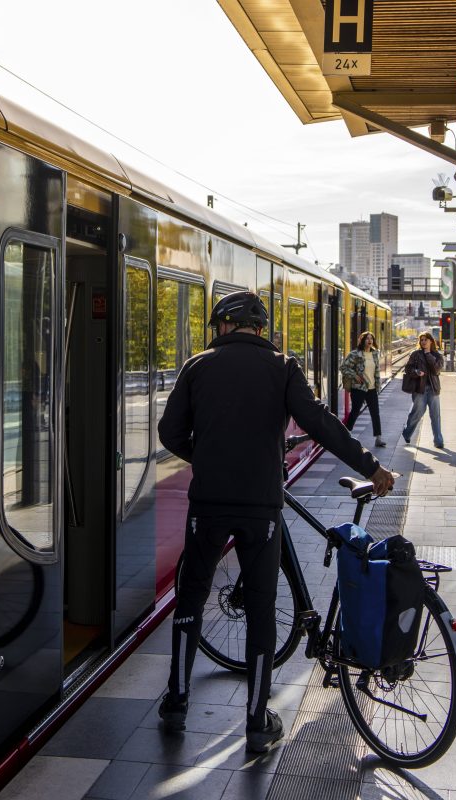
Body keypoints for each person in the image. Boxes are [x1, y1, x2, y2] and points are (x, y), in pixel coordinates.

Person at [156, 291, 395, 753]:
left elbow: (170, 432)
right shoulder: (284, 368)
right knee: (263, 608)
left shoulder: (197, 366)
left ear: (224, 325)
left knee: (191, 597)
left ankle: (177, 702)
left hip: (207, 504)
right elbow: (323, 425)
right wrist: (371, 468)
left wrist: (205, 457)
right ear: (260, 328)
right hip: (261, 508)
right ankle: (256, 720)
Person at [339, 331, 386, 447]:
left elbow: (376, 371)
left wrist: (377, 385)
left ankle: (378, 438)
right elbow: (343, 367)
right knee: (355, 411)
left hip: (371, 388)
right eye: (367, 339)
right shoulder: (355, 354)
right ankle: (345, 436)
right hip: (359, 388)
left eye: (371, 338)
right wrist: (354, 375)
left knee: (375, 413)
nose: (369, 340)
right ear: (362, 340)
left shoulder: (375, 354)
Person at [401, 332, 444, 449]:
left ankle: (438, 440)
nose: (423, 342)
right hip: (419, 389)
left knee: (435, 415)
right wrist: (416, 372)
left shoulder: (437, 355)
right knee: (417, 413)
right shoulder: (415, 355)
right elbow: (408, 368)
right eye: (421, 340)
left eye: (425, 340)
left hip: (434, 389)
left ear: (431, 341)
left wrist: (428, 354)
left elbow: (436, 370)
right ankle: (407, 432)